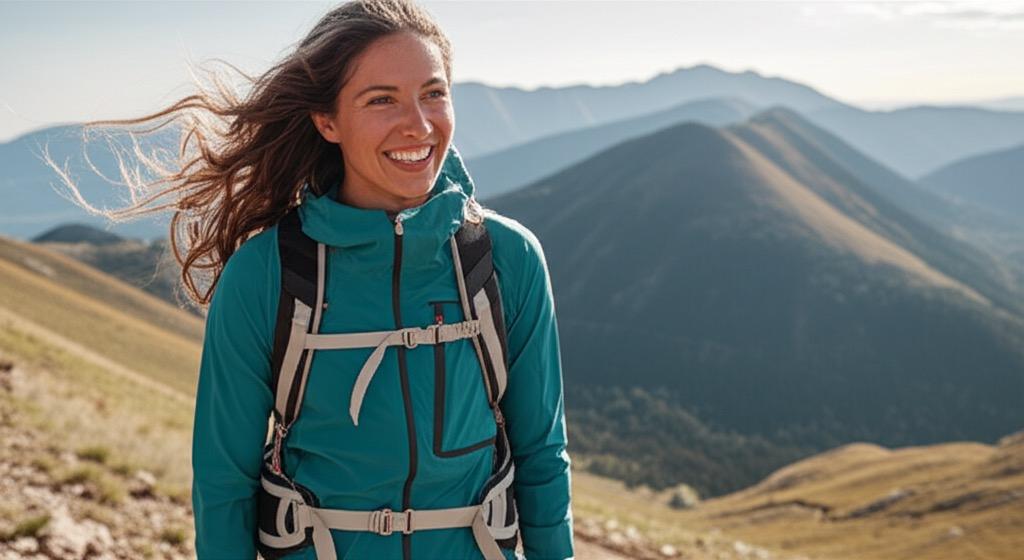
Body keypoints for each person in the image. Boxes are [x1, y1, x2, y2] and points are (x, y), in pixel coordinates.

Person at [57, 0, 573, 558]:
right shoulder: (266, 274)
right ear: (327, 121)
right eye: (381, 100)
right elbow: (224, 483)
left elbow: (542, 453)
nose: (419, 124)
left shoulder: (507, 258)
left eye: (433, 92)